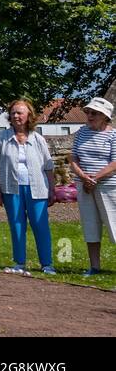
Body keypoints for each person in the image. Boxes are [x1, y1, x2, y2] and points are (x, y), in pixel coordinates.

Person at [0, 100, 55, 274]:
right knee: (17, 225)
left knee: (40, 225)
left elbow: (48, 167)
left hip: (37, 187)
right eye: (13, 113)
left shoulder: (38, 138)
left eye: (20, 113)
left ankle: (47, 264)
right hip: (11, 188)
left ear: (29, 116)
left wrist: (52, 189)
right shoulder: (3, 137)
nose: (16, 116)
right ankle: (19, 262)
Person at [68, 97, 116, 276]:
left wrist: (94, 178)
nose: (89, 115)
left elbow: (114, 163)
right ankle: (94, 267)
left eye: (94, 113)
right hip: (85, 186)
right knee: (91, 226)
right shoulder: (81, 132)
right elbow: (73, 158)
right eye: (88, 112)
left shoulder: (113, 135)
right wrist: (83, 177)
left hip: (108, 187)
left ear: (105, 116)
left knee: (115, 225)